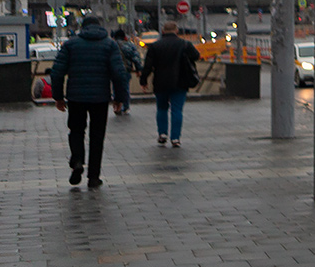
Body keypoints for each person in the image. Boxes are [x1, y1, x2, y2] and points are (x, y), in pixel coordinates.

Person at [50, 15, 127, 187]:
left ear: (82, 27)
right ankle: (93, 177)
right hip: (100, 98)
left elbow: (57, 72)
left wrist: (58, 97)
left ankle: (77, 161)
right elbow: (119, 73)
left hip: (76, 97)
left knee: (76, 130)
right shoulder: (110, 44)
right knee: (97, 136)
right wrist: (119, 98)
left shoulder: (71, 44)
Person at [140, 26, 202, 147]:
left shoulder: (155, 46)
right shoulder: (185, 44)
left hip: (160, 82)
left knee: (161, 108)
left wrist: (143, 80)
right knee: (177, 110)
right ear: (176, 31)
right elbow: (196, 56)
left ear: (163, 31)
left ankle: (162, 134)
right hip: (180, 81)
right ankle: (175, 138)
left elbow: (148, 66)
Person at [111, 28, 143, 115]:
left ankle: (117, 105)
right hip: (126, 70)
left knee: (115, 88)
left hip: (113, 71)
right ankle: (125, 106)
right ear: (124, 36)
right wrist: (138, 69)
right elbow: (136, 58)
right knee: (125, 88)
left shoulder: (111, 45)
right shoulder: (129, 45)